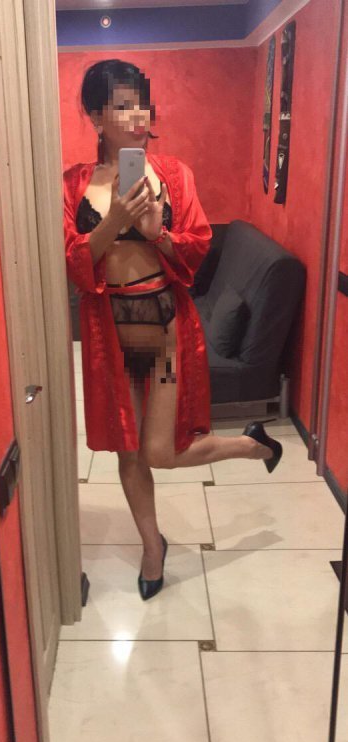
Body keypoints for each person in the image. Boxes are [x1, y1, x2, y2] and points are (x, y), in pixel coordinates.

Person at [63, 59, 282, 601]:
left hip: (159, 323)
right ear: (96, 116)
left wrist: (157, 232)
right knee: (127, 451)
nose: (138, 115)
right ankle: (151, 546)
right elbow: (73, 262)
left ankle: (250, 446)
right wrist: (115, 221)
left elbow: (197, 245)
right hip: (109, 330)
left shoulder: (173, 175)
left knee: (159, 450)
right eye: (122, 105)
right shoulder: (74, 184)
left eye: (142, 103)